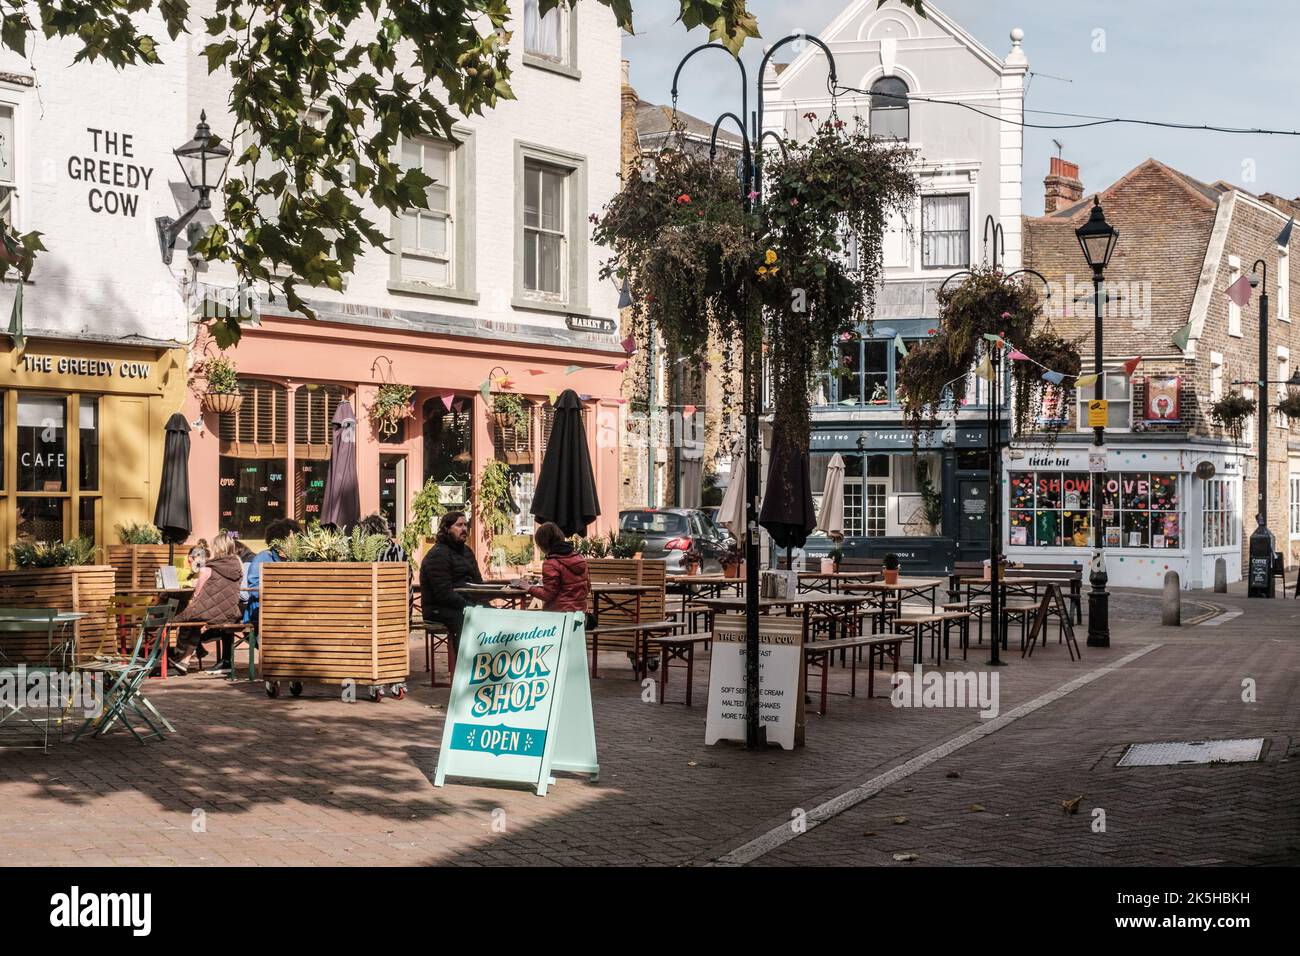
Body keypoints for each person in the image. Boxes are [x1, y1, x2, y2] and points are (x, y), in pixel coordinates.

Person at [169, 532, 244, 675]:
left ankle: (177, 653)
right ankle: (184, 660)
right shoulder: (238, 566)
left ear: (217, 548)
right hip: (231, 612)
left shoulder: (207, 569)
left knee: (177, 618)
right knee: (195, 622)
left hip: (209, 613)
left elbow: (197, 594)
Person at [419, 511, 482, 652]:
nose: (464, 529)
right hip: (438, 609)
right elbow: (443, 594)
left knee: (495, 616)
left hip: (465, 604)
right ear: (446, 529)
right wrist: (470, 607)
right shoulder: (437, 554)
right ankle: (463, 667)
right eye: (459, 525)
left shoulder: (467, 552)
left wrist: (481, 603)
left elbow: (479, 583)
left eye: (465, 525)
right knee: (466, 620)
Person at [516, 522, 589, 613]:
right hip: (581, 615)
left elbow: (547, 595)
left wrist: (528, 587)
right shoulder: (580, 558)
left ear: (542, 544)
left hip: (560, 616)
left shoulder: (551, 563)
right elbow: (587, 588)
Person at [244, 518, 302, 626]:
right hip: (263, 614)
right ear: (279, 541)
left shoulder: (298, 559)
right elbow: (254, 590)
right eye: (291, 539)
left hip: (291, 613)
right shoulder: (263, 558)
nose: (295, 543)